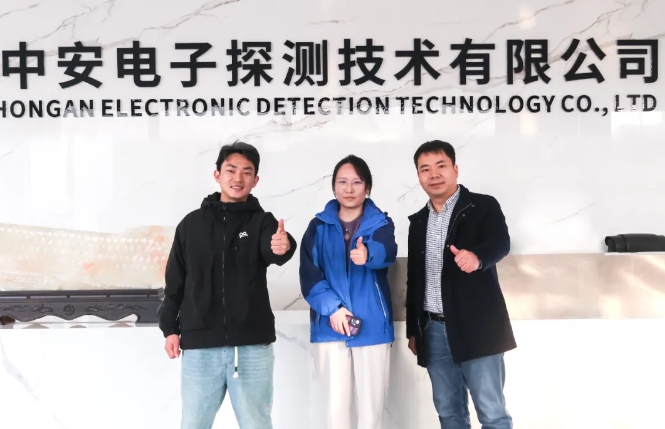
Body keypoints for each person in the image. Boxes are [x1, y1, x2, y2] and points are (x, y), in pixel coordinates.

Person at [158, 141, 297, 429]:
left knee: (257, 424)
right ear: (217, 174)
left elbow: (276, 249)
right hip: (199, 346)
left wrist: (284, 245)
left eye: (247, 172)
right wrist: (170, 328)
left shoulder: (262, 222)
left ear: (255, 180)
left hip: (251, 347)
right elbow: (175, 281)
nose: (238, 178)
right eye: (231, 170)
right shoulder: (191, 225)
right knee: (193, 424)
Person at [405, 140, 516, 429]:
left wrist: (477, 257)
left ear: (455, 169)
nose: (433, 174)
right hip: (433, 330)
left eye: (440, 165)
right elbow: (414, 278)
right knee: (449, 413)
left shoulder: (483, 206)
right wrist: (414, 330)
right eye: (425, 169)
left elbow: (501, 242)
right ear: (418, 176)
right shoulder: (418, 221)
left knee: (492, 412)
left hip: (478, 326)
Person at [299, 155, 397, 429]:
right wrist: (333, 309)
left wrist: (368, 254)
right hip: (331, 326)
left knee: (371, 413)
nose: (349, 189)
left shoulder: (381, 223)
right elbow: (309, 273)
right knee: (335, 412)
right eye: (342, 182)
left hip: (372, 326)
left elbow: (388, 251)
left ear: (368, 187)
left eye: (357, 182)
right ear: (333, 187)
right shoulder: (318, 226)